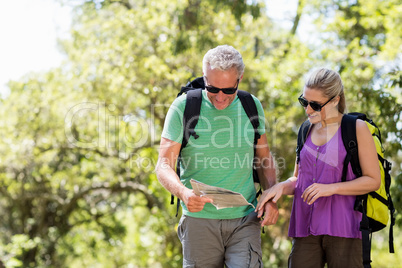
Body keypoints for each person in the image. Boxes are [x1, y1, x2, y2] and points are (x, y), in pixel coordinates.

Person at [155, 45, 279, 267]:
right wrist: (184, 193)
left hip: (245, 219)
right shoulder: (184, 107)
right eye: (213, 88)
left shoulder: (252, 105)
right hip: (199, 223)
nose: (221, 98)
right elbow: (163, 165)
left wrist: (270, 197)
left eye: (228, 90)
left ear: (239, 80)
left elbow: (264, 158)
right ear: (204, 78)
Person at [256, 68, 381, 268]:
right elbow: (299, 180)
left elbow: (373, 180)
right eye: (304, 102)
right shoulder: (305, 129)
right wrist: (281, 186)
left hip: (344, 228)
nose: (308, 110)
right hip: (305, 228)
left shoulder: (356, 128)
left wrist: (331, 188)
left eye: (315, 105)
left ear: (335, 100)